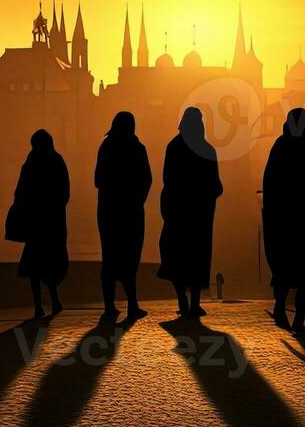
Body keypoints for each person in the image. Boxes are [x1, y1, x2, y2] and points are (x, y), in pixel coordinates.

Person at [262, 109, 305, 334]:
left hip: (282, 220)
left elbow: (269, 182)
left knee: (283, 265)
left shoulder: (280, 146)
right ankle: (298, 319)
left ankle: (281, 306)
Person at [158, 107, 222, 319]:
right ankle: (195, 302)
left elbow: (168, 180)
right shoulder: (207, 149)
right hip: (200, 217)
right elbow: (216, 186)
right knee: (198, 257)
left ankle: (182, 301)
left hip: (177, 213)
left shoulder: (173, 147)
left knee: (175, 256)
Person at [95, 111, 152, 323]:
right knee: (130, 257)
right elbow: (147, 179)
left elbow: (98, 179)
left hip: (108, 212)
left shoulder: (106, 148)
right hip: (132, 212)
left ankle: (109, 305)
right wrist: (137, 200)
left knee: (109, 257)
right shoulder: (138, 149)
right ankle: (132, 304)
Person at [10, 130, 71, 320]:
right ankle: (54, 300)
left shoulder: (31, 163)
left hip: (35, 224)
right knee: (50, 264)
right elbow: (64, 192)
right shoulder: (56, 160)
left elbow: (20, 192)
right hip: (51, 222)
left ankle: (38, 305)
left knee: (35, 267)